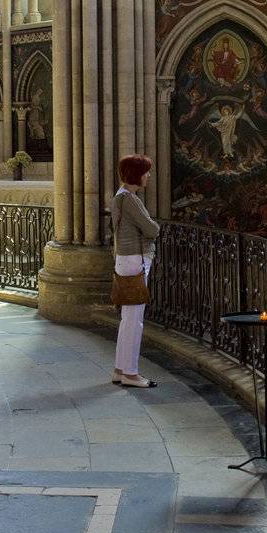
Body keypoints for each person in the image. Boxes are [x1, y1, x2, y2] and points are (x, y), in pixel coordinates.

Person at [110, 153, 160, 388]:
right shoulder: (129, 198)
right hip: (134, 260)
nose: (148, 176)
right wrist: (155, 227)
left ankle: (120, 369)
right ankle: (131, 373)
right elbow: (151, 229)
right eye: (146, 172)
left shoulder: (120, 196)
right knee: (134, 320)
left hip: (125, 259)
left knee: (127, 318)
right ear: (136, 175)